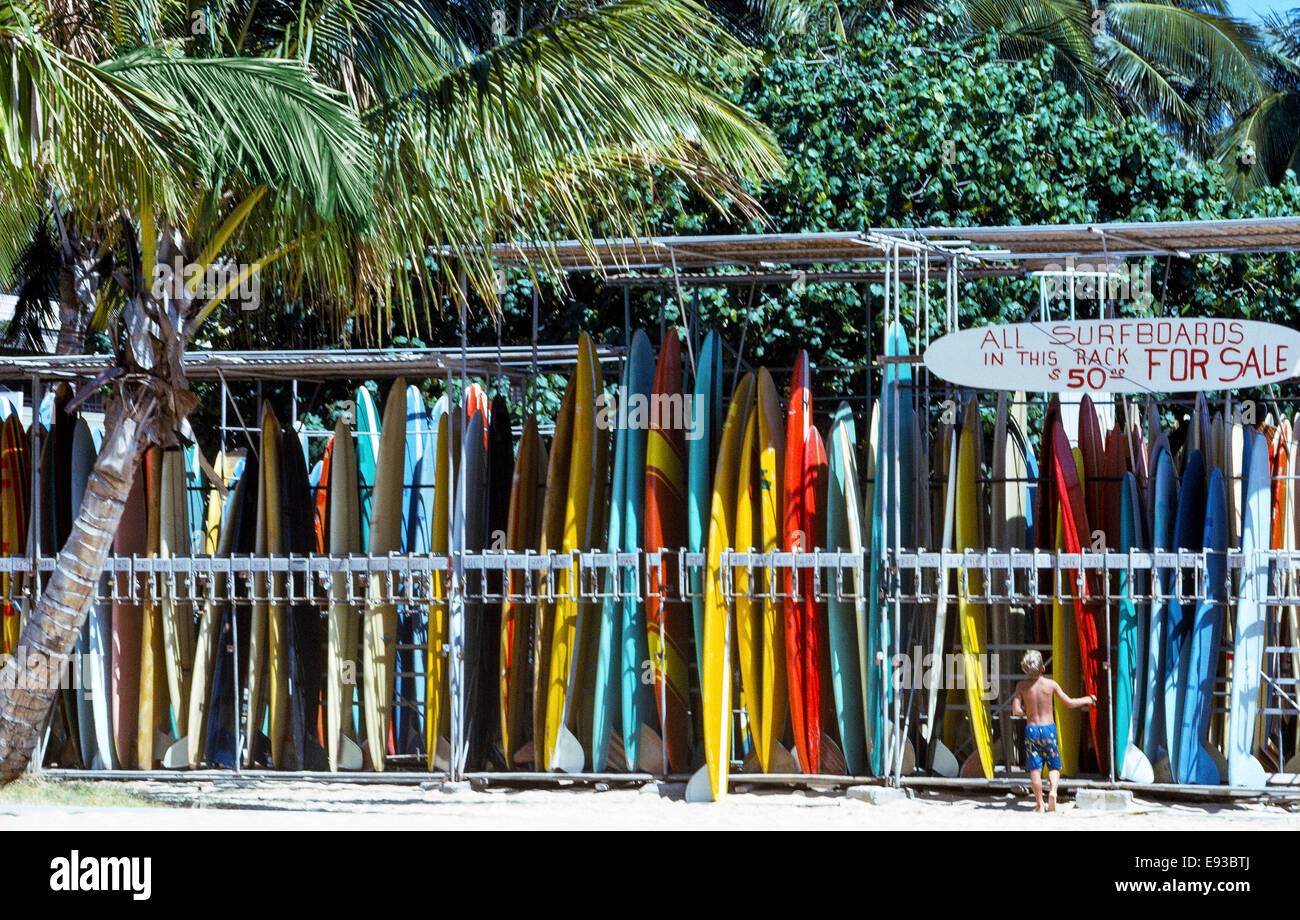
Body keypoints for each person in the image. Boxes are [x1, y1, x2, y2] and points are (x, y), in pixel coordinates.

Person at [1011, 649, 1094, 813]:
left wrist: (1028, 712)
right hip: (1049, 730)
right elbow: (1069, 703)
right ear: (1043, 668)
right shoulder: (1051, 684)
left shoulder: (1021, 686)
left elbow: (1016, 711)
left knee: (1035, 768)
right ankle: (1053, 792)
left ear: (1025, 669)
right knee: (1053, 764)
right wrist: (1088, 699)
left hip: (1032, 730)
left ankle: (1040, 804)